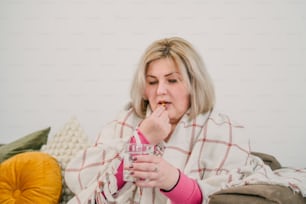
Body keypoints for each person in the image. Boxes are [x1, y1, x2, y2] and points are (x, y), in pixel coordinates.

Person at [64, 37, 251, 204]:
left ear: (194, 85)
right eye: (152, 82)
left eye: (172, 80)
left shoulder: (224, 130)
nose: (160, 90)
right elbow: (85, 183)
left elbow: (223, 196)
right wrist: (141, 139)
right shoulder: (124, 121)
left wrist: (173, 181)